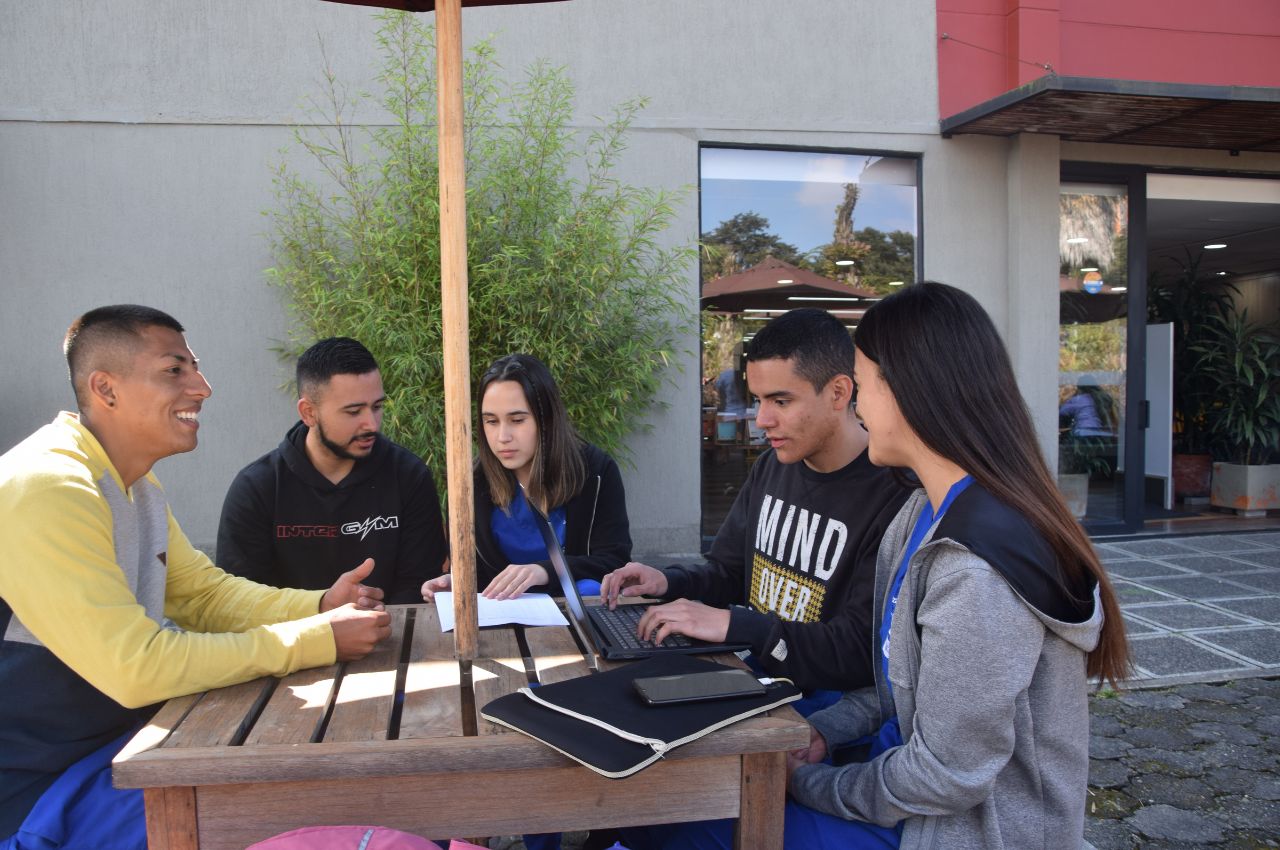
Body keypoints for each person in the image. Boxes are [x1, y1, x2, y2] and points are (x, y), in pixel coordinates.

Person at [0, 305, 391, 850]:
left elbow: (204, 596)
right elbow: (135, 668)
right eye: (174, 370)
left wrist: (319, 604)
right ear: (105, 389)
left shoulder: (134, 483)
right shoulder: (48, 485)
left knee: (334, 789)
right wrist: (315, 638)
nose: (202, 388)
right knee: (307, 806)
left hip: (129, 749)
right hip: (38, 796)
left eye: (196, 368)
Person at [600, 309, 910, 696]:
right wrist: (667, 580)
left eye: (780, 401)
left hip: (816, 710)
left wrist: (737, 626)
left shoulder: (894, 496)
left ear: (839, 392)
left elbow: (857, 649)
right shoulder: (771, 467)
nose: (761, 419)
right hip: (746, 676)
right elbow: (728, 572)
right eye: (759, 400)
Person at [216, 337, 448, 604]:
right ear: (308, 413)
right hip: (291, 643)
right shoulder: (257, 489)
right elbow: (242, 601)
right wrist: (323, 616)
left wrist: (381, 618)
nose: (371, 424)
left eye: (377, 407)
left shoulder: (408, 476)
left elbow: (419, 586)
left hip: (392, 635)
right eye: (353, 411)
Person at [422, 353, 631, 600]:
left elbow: (614, 563)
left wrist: (545, 571)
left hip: (578, 615)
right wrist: (456, 581)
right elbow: (481, 573)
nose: (502, 437)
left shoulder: (595, 471)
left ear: (547, 419)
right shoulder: (470, 483)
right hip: (502, 622)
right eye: (491, 421)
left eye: (517, 420)